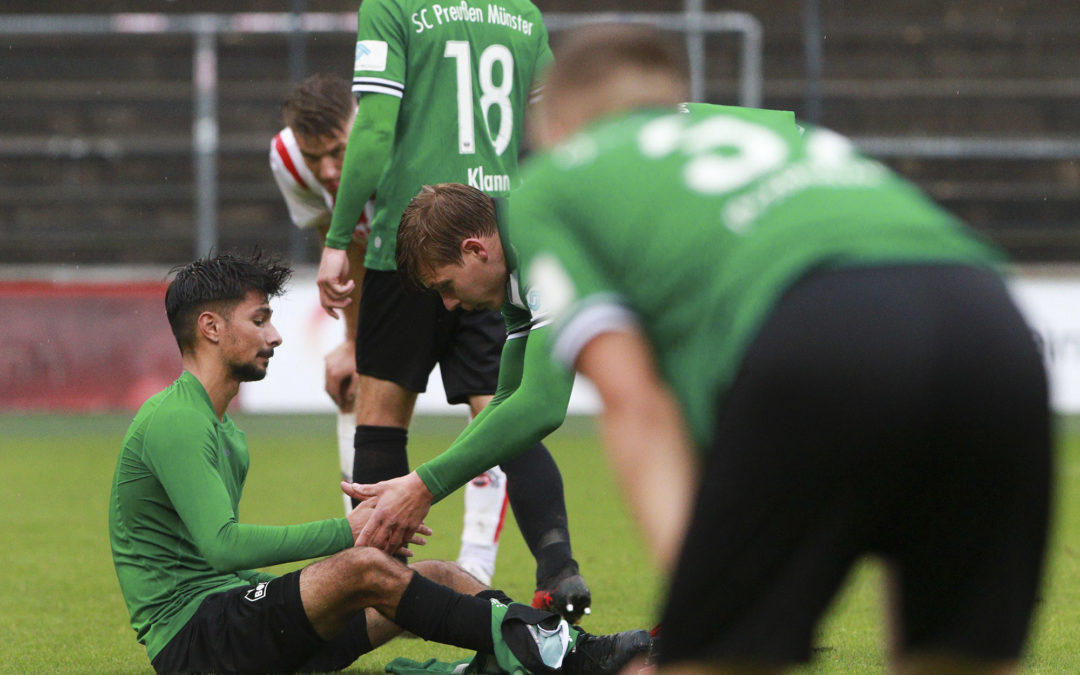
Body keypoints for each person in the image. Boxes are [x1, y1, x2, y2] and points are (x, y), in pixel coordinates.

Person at [383, 24, 1051, 674]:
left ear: (553, 127)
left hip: (816, 331)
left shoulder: (553, 185)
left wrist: (705, 590)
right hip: (993, 325)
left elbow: (627, 398)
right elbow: (514, 384)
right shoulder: (763, 133)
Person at [107, 250, 651, 675]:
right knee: (364, 567)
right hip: (196, 642)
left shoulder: (226, 430)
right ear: (210, 327)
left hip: (239, 620)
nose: (274, 335)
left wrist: (320, 581)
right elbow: (221, 547)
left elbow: (220, 568)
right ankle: (553, 650)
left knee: (436, 573)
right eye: (260, 319)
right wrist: (350, 534)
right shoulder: (177, 419)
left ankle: (574, 652)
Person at [315, 0, 590, 618]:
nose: (445, 305)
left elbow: (376, 126)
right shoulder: (520, 13)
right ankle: (557, 567)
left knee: (382, 420)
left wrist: (336, 241)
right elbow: (558, 121)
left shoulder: (393, 7)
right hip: (497, 218)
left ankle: (383, 592)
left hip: (410, 237)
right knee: (502, 405)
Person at [271, 73, 509, 583]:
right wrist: (352, 341)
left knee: (493, 413)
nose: (329, 170)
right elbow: (345, 239)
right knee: (379, 422)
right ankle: (379, 577)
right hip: (383, 278)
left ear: (359, 120)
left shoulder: (399, 134)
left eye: (338, 150)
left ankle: (479, 567)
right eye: (315, 158)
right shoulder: (286, 162)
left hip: (444, 266)